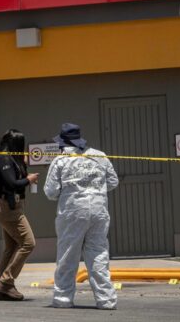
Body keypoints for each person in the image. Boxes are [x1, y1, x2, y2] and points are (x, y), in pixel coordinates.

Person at [43, 123, 119, 310]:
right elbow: (113, 181)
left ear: (63, 142)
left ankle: (63, 299)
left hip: (73, 212)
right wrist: (95, 189)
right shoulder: (99, 156)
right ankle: (106, 300)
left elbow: (50, 192)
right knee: (99, 254)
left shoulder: (61, 160)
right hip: (99, 210)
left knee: (68, 255)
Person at [0, 129, 38, 301]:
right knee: (28, 243)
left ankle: (1, 289)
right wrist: (28, 180)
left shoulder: (12, 159)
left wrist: (23, 167)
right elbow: (12, 183)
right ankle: (6, 282)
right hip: (8, 209)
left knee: (11, 248)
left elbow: (16, 178)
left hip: (11, 207)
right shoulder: (4, 159)